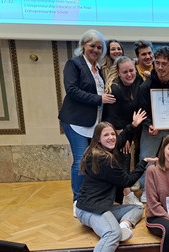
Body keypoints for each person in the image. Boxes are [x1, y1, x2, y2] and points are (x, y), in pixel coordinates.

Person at [75, 112, 156, 252]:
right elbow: (127, 181)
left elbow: (119, 140)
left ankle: (124, 226)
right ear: (98, 139)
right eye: (106, 135)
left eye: (112, 134)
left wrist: (132, 126)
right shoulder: (103, 159)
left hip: (102, 206)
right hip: (90, 209)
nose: (111, 137)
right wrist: (143, 163)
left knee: (137, 207)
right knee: (111, 235)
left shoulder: (99, 150)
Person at [58, 29, 116, 217]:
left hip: (93, 123)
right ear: (83, 45)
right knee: (80, 161)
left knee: (91, 161)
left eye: (100, 47)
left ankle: (89, 196)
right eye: (92, 46)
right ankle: (77, 200)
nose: (96, 50)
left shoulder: (98, 69)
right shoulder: (73, 64)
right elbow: (72, 90)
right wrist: (100, 99)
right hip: (75, 121)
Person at [137, 46, 169, 203]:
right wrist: (148, 125)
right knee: (146, 156)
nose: (160, 67)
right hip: (153, 128)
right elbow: (141, 110)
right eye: (157, 63)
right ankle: (147, 190)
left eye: (164, 64)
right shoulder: (146, 86)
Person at [103, 56, 144, 206]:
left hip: (131, 125)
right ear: (119, 73)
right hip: (116, 128)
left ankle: (124, 194)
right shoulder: (115, 88)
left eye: (131, 70)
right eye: (125, 72)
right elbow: (113, 116)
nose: (129, 74)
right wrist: (123, 137)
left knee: (128, 155)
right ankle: (125, 195)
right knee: (123, 155)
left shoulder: (138, 80)